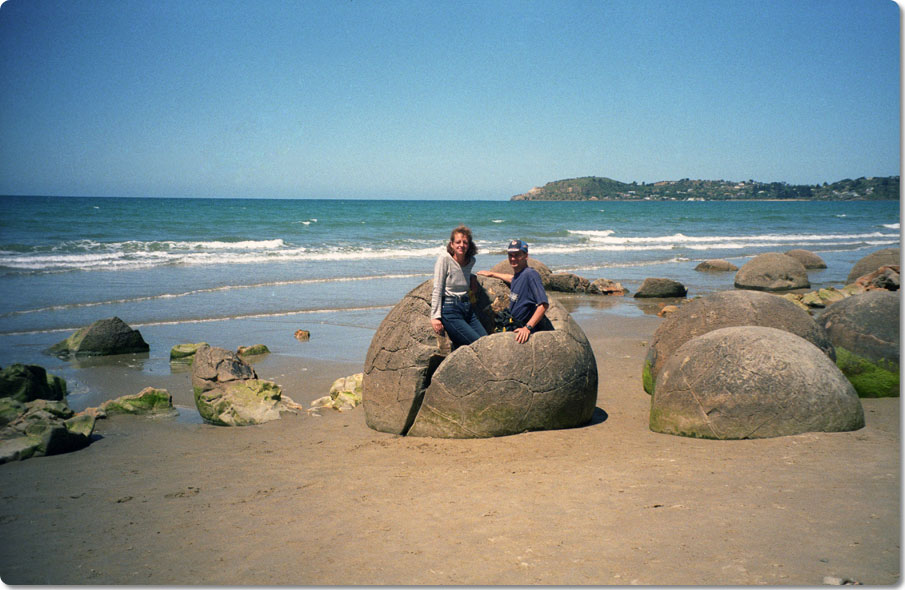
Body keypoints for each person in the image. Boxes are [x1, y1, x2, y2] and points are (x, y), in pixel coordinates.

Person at [477, 239, 549, 343]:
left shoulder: (531, 274)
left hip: (523, 329)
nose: (513, 258)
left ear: (526, 256)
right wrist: (492, 274)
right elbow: (512, 278)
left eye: (517, 255)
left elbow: (543, 305)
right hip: (513, 324)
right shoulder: (519, 275)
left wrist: (527, 328)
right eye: (510, 255)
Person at [430, 225, 488, 346]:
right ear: (451, 244)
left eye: (465, 242)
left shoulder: (471, 261)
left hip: (467, 308)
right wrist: (435, 317)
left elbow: (461, 273)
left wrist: (472, 277)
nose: (461, 245)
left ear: (469, 245)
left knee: (487, 342)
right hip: (450, 310)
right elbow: (438, 287)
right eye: (458, 242)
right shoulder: (445, 259)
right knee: (477, 344)